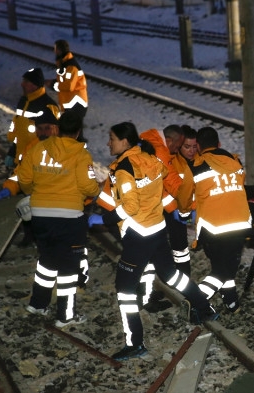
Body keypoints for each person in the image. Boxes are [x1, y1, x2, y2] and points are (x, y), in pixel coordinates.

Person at [88, 122, 216, 361]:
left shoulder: (124, 170)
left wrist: (105, 217)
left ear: (125, 142)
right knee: (171, 275)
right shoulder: (151, 158)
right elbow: (162, 180)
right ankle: (204, 307)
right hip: (158, 229)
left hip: (139, 235)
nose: (108, 143)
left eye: (112, 138)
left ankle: (135, 343)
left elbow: (131, 206)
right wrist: (170, 206)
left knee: (125, 290)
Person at [17, 111, 99, 328]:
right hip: (69, 218)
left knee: (46, 260)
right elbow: (88, 186)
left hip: (40, 216)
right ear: (78, 131)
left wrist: (37, 193)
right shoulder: (81, 155)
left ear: (58, 128)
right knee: (69, 268)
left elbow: (24, 178)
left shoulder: (38, 148)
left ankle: (38, 304)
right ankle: (65, 315)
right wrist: (89, 192)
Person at [181, 126, 252, 314]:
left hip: (213, 227)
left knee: (221, 270)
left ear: (198, 147)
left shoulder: (195, 167)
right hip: (239, 224)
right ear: (219, 144)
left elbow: (185, 196)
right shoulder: (236, 163)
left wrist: (183, 211)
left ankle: (196, 298)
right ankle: (232, 303)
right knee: (224, 267)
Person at [0, 109, 60, 248]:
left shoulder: (64, 147)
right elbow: (20, 173)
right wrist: (9, 187)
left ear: (55, 128)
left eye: (47, 128)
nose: (43, 132)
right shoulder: (32, 147)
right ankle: (31, 236)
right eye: (40, 129)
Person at [7, 68, 60, 168]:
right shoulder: (23, 102)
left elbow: (54, 139)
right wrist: (12, 152)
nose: (22, 84)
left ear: (35, 85)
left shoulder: (49, 106)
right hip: (21, 161)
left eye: (26, 82)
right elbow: (19, 132)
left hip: (36, 165)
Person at [165, 125, 198, 276]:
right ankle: (182, 274)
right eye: (187, 147)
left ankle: (184, 275)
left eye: (194, 147)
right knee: (178, 245)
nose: (191, 151)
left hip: (194, 210)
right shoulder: (171, 162)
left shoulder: (200, 161)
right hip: (173, 211)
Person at [48, 40, 88, 141]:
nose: (54, 51)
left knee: (75, 133)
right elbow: (64, 81)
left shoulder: (71, 66)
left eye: (55, 48)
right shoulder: (64, 64)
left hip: (76, 103)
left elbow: (69, 85)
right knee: (72, 132)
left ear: (59, 50)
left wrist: (53, 85)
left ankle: (81, 151)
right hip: (70, 103)